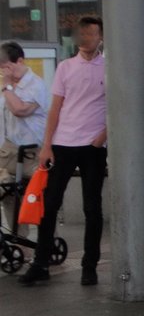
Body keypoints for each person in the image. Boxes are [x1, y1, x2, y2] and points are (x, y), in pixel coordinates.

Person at [19, 17, 107, 287]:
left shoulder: (109, 68)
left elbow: (118, 106)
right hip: (63, 143)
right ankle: (41, 263)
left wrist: (102, 137)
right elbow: (55, 108)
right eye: (82, 34)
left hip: (93, 146)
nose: (85, 39)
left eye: (91, 34)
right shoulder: (65, 67)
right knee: (50, 204)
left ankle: (89, 267)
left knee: (92, 208)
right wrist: (47, 145)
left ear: (100, 37)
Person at [0, 41, 50, 199]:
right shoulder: (9, 85)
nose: (5, 73)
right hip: (9, 150)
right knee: (9, 199)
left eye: (7, 67)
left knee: (36, 199)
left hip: (31, 153)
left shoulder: (35, 84)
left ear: (20, 61)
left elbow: (19, 110)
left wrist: (6, 86)